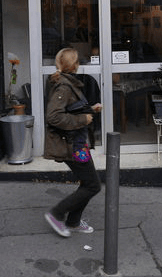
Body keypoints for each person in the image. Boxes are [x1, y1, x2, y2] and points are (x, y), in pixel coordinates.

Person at [43, 48, 102, 238]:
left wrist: (90, 111)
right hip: (73, 145)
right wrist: (83, 120)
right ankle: (56, 214)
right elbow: (53, 117)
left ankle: (74, 222)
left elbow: (72, 110)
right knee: (93, 185)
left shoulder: (67, 83)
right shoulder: (63, 86)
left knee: (88, 183)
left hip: (77, 143)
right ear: (75, 65)